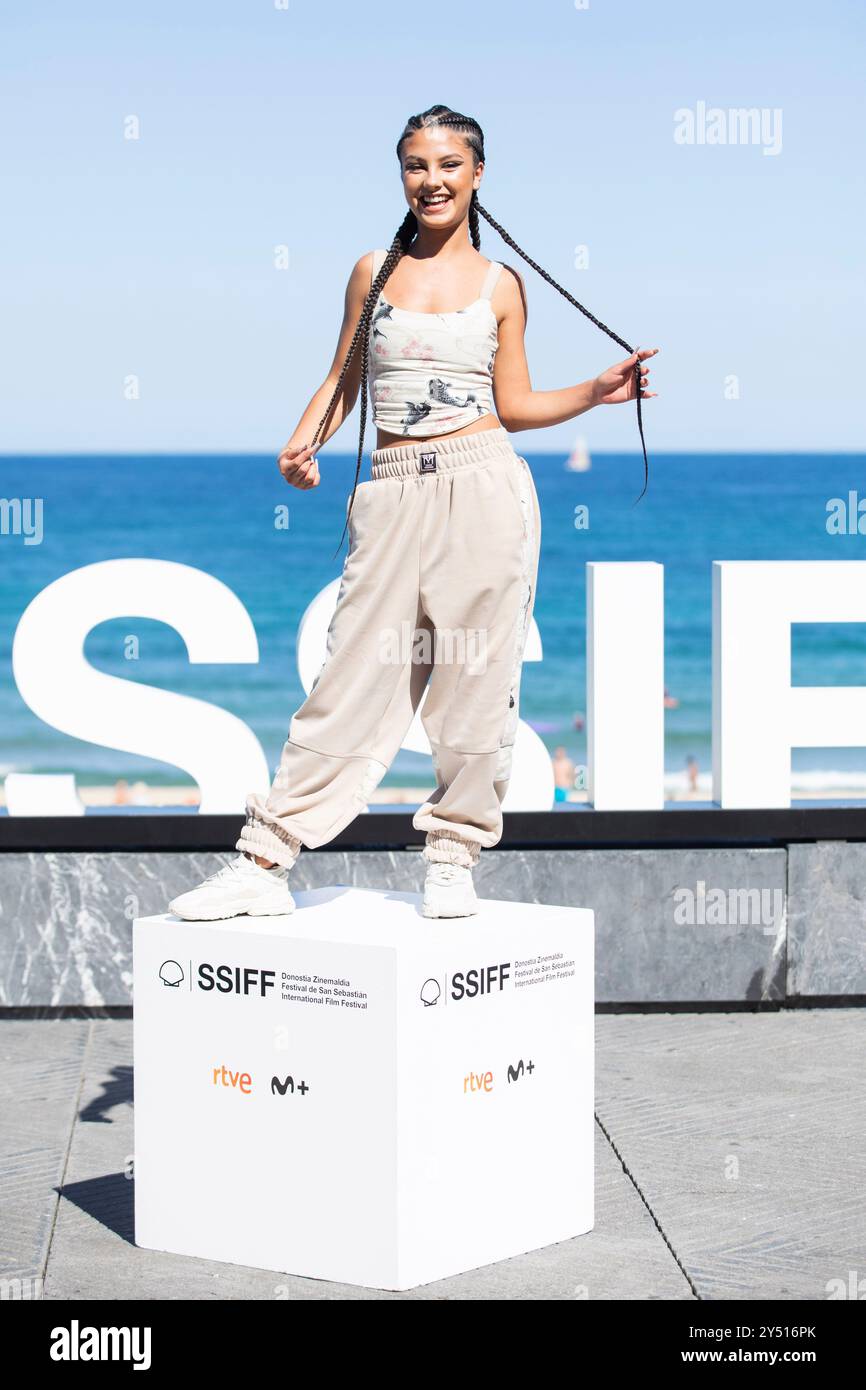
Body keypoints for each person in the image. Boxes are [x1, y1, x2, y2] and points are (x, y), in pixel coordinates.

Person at [169, 104, 658, 924]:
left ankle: (453, 852)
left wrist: (594, 393)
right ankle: (264, 858)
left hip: (484, 488)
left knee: (476, 677)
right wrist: (302, 442)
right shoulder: (372, 272)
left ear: (477, 173)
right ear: (402, 175)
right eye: (415, 165)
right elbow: (342, 380)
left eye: (448, 165)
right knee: (349, 674)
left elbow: (513, 404)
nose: (431, 180)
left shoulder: (503, 286)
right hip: (392, 491)